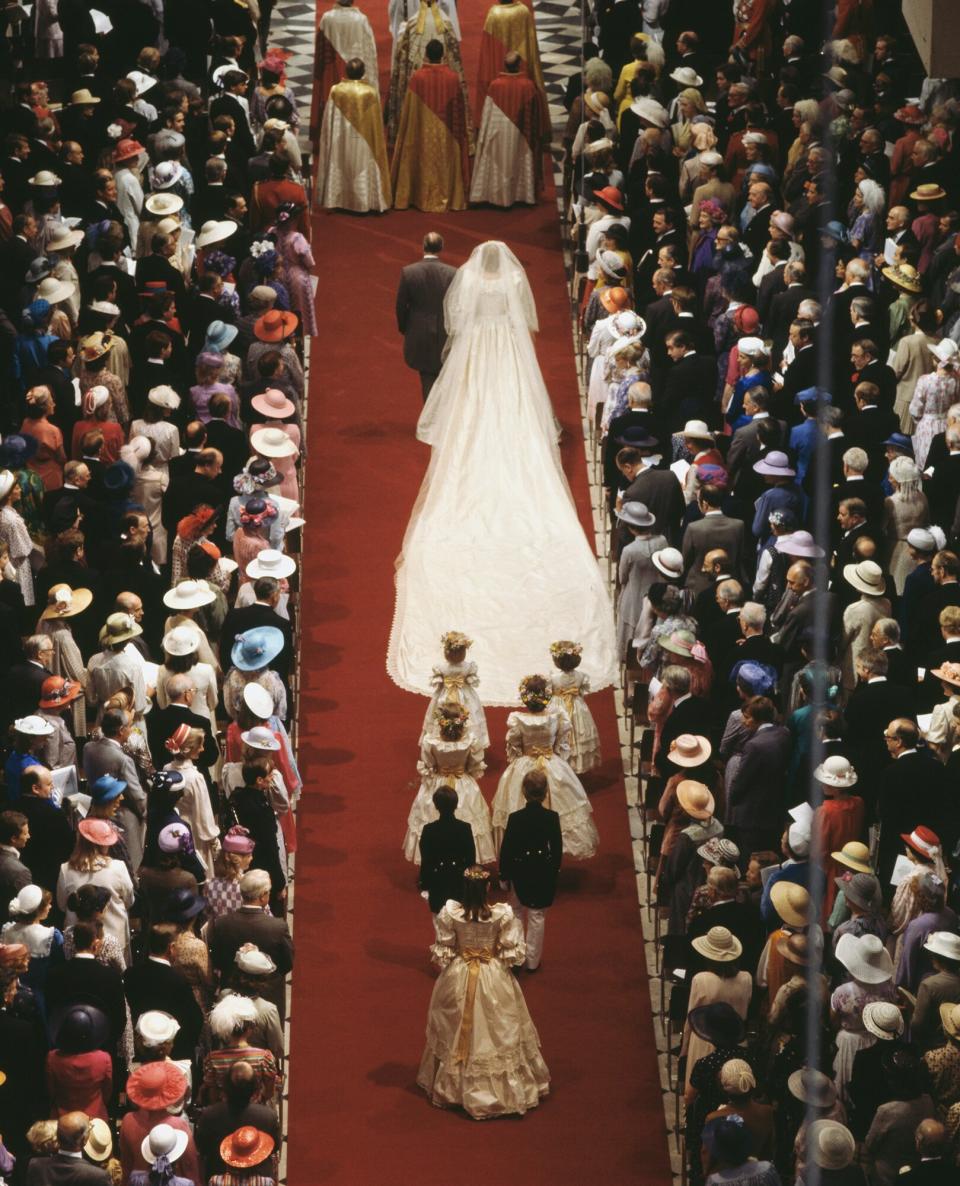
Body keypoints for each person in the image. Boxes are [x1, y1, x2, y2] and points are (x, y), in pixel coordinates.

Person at [387, 242, 617, 702]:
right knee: (510, 404)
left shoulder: (469, 280)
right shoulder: (513, 280)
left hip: (478, 349)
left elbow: (457, 322)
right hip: (507, 350)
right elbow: (526, 322)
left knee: (474, 404)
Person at [415, 865, 550, 1118]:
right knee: (497, 1029)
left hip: (460, 974)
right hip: (492, 975)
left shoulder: (451, 914)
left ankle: (455, 1088)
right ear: (488, 888)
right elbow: (511, 954)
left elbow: (445, 950)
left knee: (455, 1029)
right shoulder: (502, 915)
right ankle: (499, 1093)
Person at [491, 675, 599, 858]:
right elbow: (561, 744)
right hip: (551, 762)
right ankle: (551, 847)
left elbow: (514, 745)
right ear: (547, 697)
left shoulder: (518, 720)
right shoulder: (557, 717)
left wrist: (521, 759)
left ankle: (525, 845)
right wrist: (552, 755)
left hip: (525, 763)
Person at [391, 38, 471, 214]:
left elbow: (410, 113)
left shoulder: (418, 77)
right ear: (443, 56)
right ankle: (449, 195)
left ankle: (418, 196)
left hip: (422, 134)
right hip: (447, 136)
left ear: (426, 55)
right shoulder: (452, 78)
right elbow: (459, 110)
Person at [499, 771, 562, 972]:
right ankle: (533, 961)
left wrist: (504, 874)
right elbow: (557, 849)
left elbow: (507, 848)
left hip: (520, 871)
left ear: (524, 791)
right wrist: (553, 872)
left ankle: (516, 955)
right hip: (542, 871)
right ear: (545, 792)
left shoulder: (516, 818)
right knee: (537, 916)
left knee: (516, 912)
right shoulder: (551, 818)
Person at [469, 52, 546, 207]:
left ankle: (496, 196)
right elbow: (534, 117)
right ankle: (522, 195)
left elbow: (487, 115)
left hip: (498, 133)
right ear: (518, 65)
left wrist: (482, 137)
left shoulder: (495, 85)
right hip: (521, 135)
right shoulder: (528, 86)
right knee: (519, 161)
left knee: (498, 162)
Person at [316, 59, 391, 213]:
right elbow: (376, 125)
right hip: (364, 142)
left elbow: (328, 121)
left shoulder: (336, 90)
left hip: (341, 140)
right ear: (363, 73)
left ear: (347, 72)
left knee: (341, 161)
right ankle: (363, 202)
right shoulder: (370, 92)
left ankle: (339, 199)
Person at [395, 231, 457, 400]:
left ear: (423, 247)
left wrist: (405, 328)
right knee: (444, 376)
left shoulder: (409, 272)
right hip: (445, 332)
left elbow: (401, 305)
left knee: (426, 377)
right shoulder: (453, 273)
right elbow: (456, 305)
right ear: (441, 248)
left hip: (419, 332)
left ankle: (430, 419)